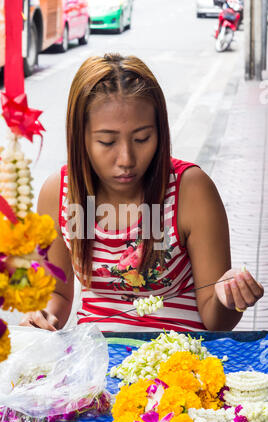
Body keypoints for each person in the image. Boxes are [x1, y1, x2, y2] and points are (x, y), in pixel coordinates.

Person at [20, 53, 264, 333]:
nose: (126, 158)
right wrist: (43, 316)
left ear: (160, 133)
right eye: (107, 141)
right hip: (94, 358)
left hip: (181, 360)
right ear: (80, 137)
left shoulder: (191, 190)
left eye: (142, 138)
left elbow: (215, 320)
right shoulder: (60, 193)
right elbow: (58, 295)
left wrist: (228, 297)